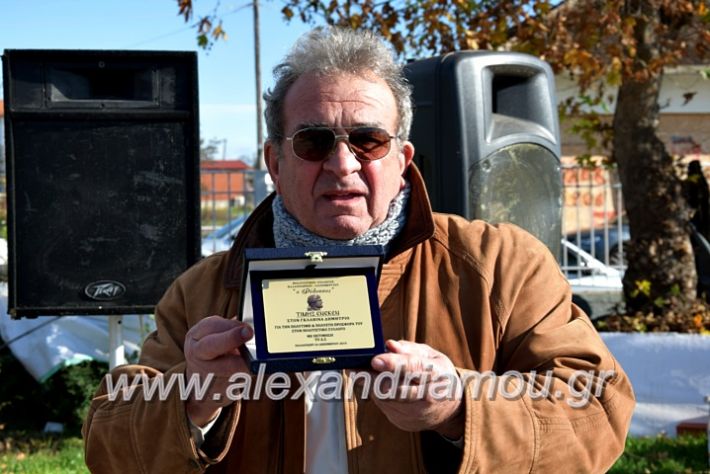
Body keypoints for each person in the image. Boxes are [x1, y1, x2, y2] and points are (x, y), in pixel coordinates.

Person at [83, 27, 635, 473]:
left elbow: (599, 411)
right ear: (275, 162)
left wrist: (460, 405)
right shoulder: (206, 290)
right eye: (314, 141)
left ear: (403, 160)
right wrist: (195, 399)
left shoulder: (499, 267)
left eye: (368, 140)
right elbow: (109, 448)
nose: (343, 164)